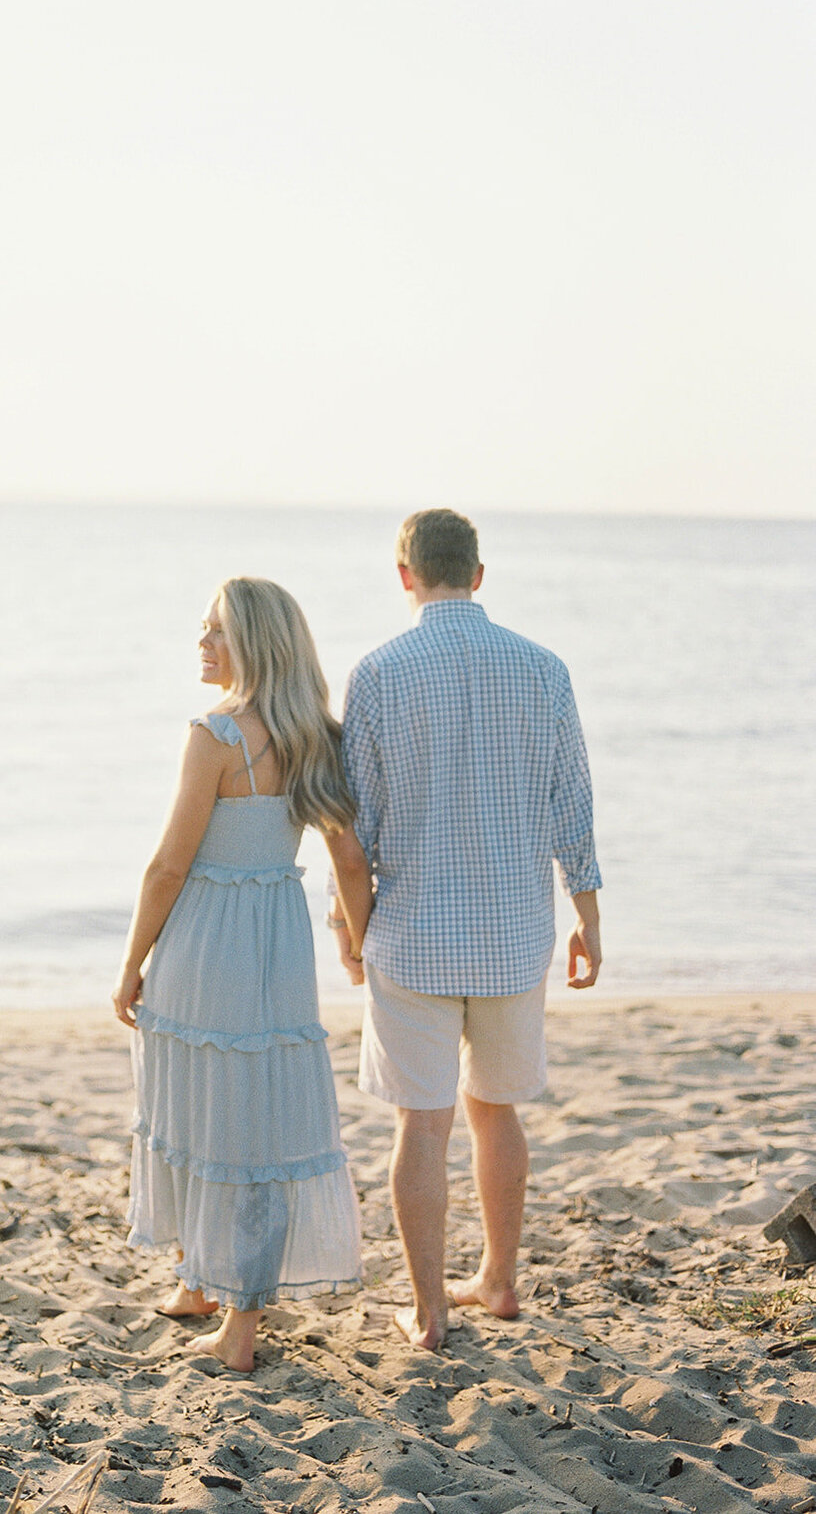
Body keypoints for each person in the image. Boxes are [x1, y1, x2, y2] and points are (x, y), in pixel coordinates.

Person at [327, 508, 602, 1352]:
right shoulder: (543, 668)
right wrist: (587, 913)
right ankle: (500, 1280)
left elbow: (354, 823)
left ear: (404, 574)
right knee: (498, 1111)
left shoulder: (377, 672)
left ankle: (430, 1309)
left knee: (422, 1120)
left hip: (412, 935)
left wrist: (348, 925)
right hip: (516, 933)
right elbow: (573, 801)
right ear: (479, 574)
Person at [114, 577, 372, 1373]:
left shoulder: (214, 733)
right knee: (245, 1110)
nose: (201, 644)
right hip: (275, 943)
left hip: (202, 939)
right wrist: (357, 943)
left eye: (215, 631)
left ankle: (240, 1329)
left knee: (206, 1107)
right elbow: (349, 860)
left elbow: (167, 865)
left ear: (252, 644)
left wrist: (130, 964)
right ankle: (201, 1277)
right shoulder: (314, 736)